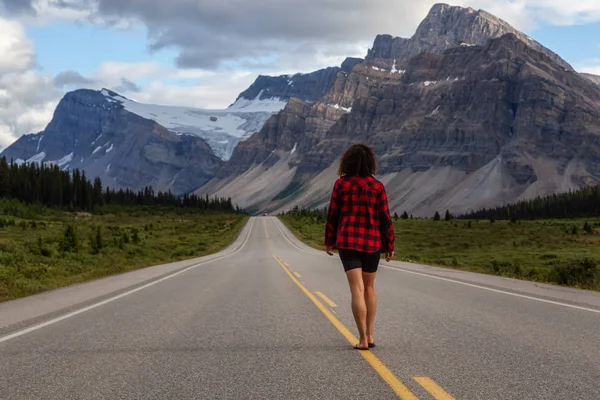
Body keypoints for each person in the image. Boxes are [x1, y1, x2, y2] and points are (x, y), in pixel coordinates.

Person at [324, 144, 395, 351]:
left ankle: (362, 338)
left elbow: (333, 215)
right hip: (372, 243)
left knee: (357, 289)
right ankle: (371, 335)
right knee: (369, 288)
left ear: (348, 162)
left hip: (347, 242)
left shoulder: (341, 185)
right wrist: (390, 244)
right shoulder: (377, 186)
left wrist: (329, 240)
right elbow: (385, 218)